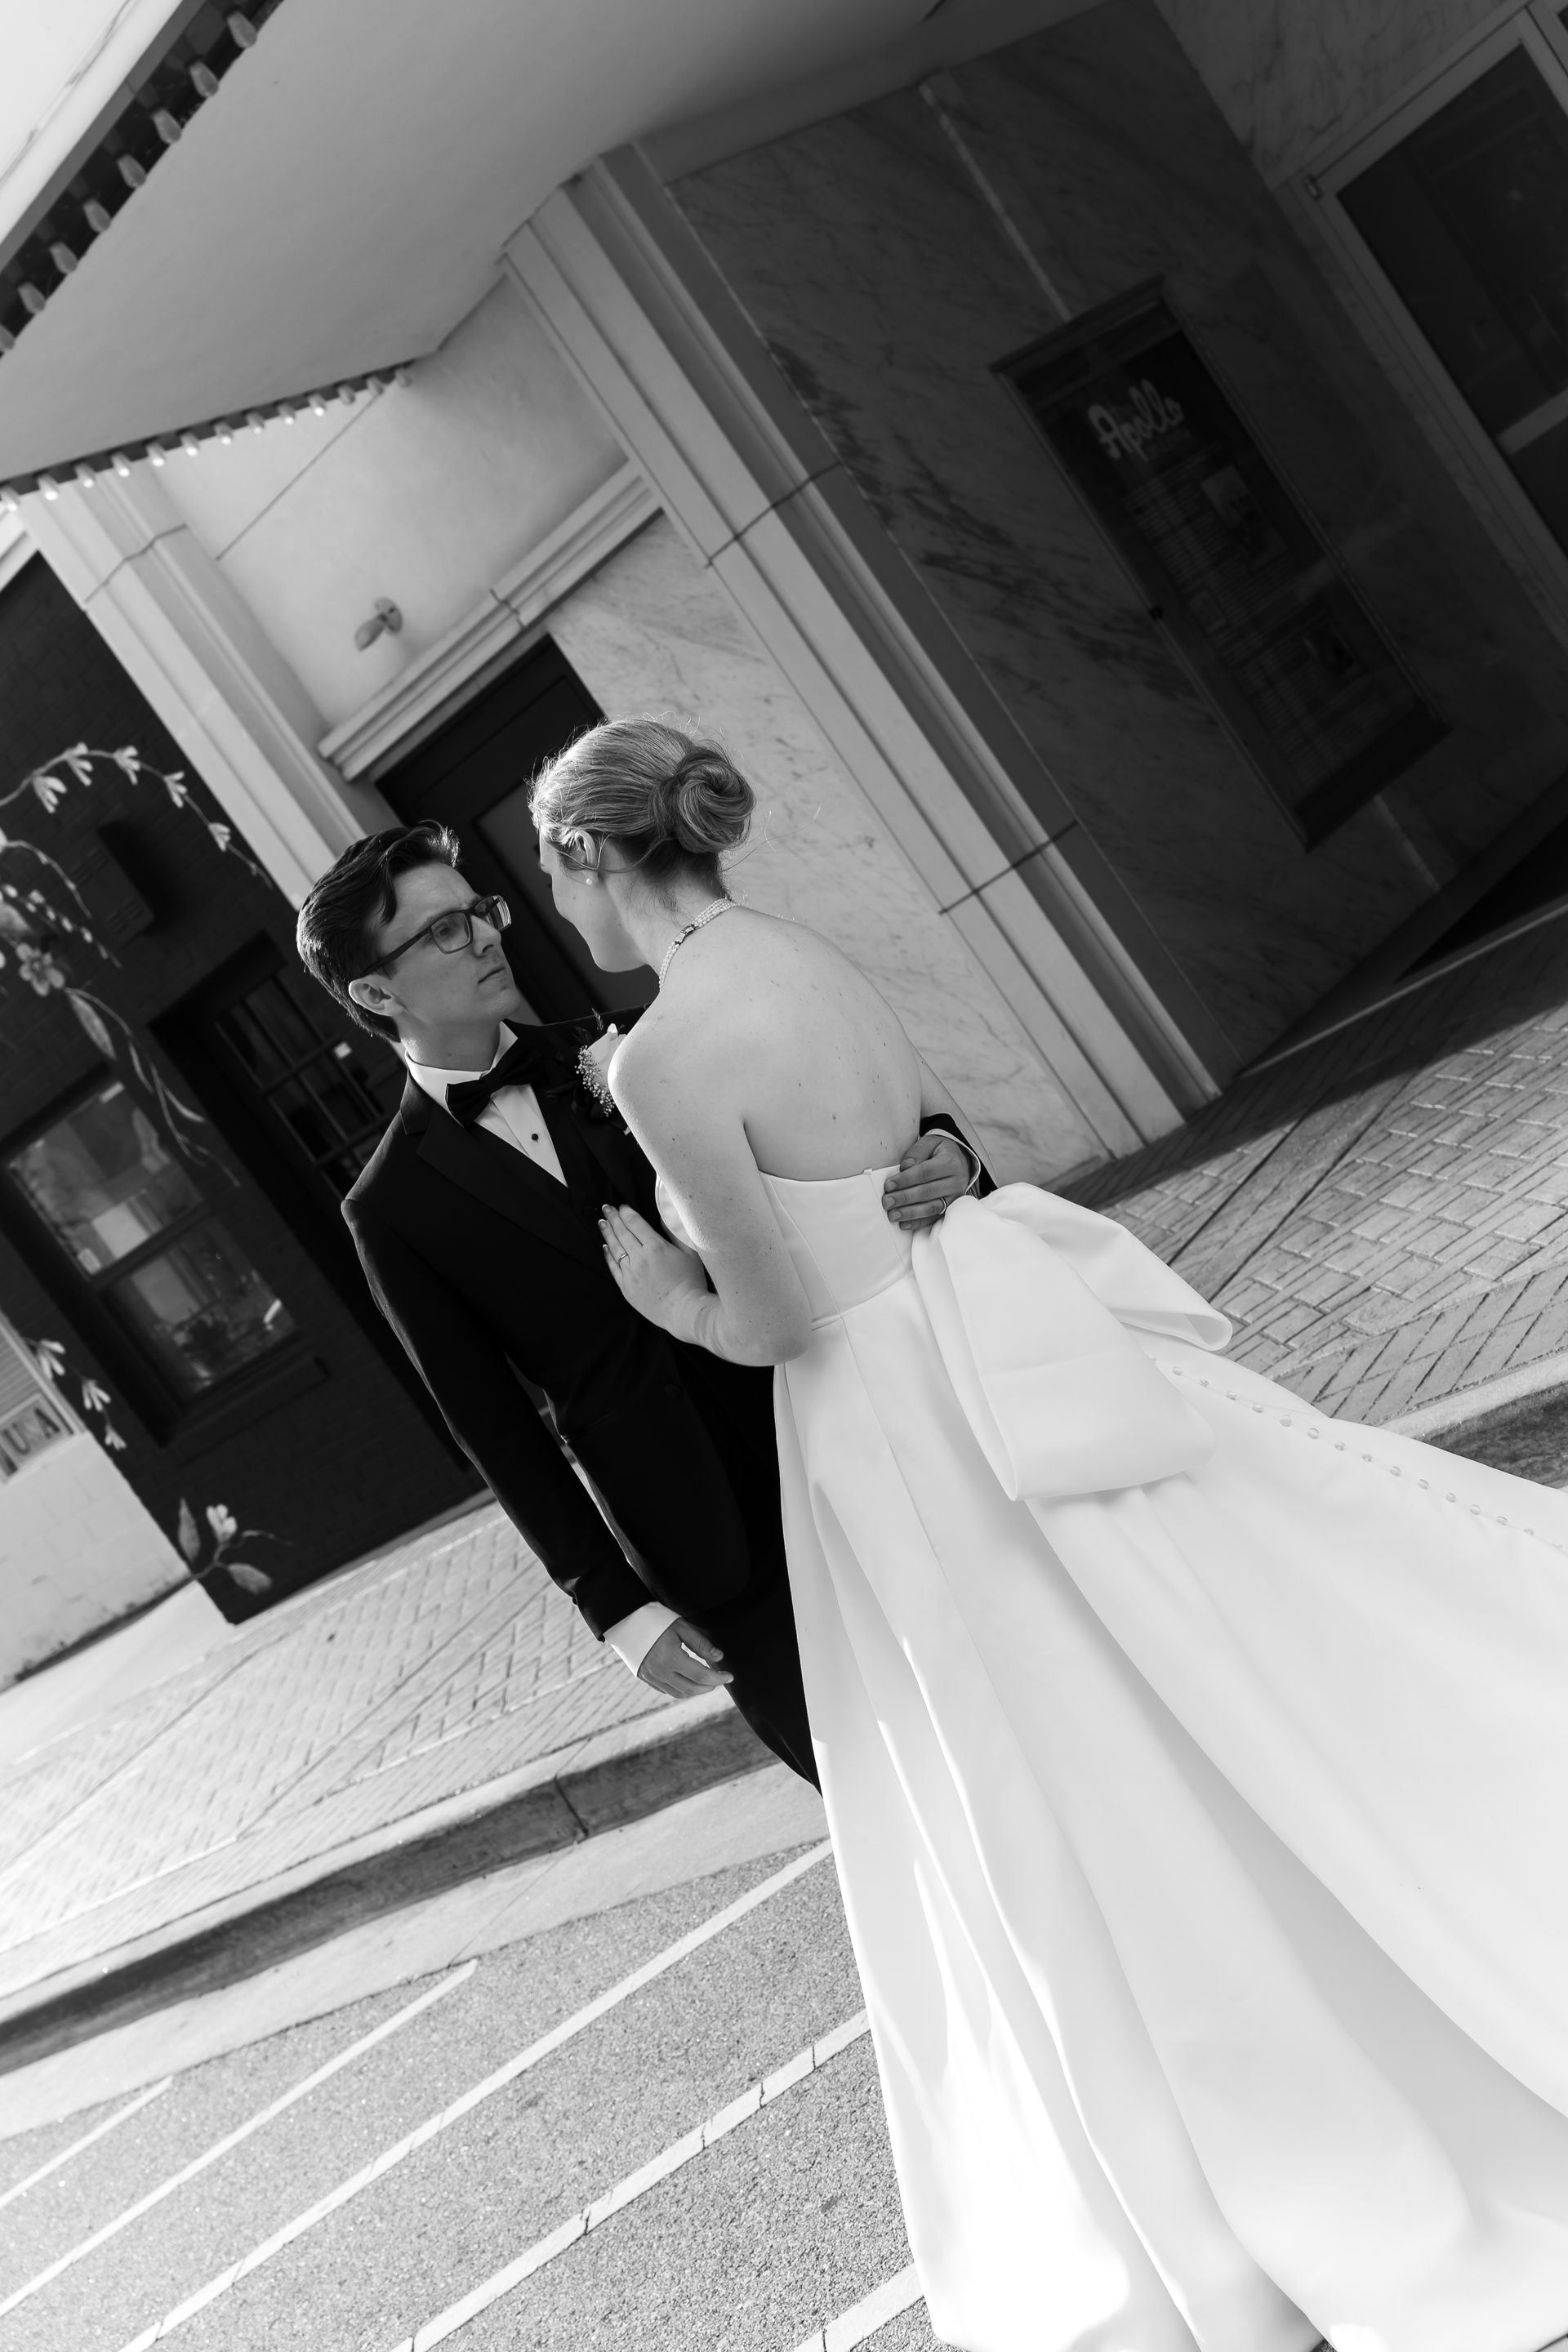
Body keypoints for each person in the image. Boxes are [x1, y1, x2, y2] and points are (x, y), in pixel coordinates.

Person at [532, 714, 1568, 2352]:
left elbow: (776, 1318)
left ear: (590, 853)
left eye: (551, 869)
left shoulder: (668, 1053)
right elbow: (927, 1151)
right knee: (1128, 1716)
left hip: (888, 1419)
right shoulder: (805, 954)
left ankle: (1223, 2164)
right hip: (974, 1356)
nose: (557, 908)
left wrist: (663, 1291)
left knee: (1047, 1784)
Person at [293, 819, 979, 1788]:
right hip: (707, 1550)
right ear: (373, 991)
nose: (489, 935)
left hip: (837, 1442)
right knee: (879, 1797)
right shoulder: (391, 1208)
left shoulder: (630, 1053)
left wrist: (953, 1155)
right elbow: (497, 1433)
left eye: (479, 912)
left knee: (990, 1744)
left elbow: (836, 1119)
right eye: (443, 932)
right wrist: (615, 1608)